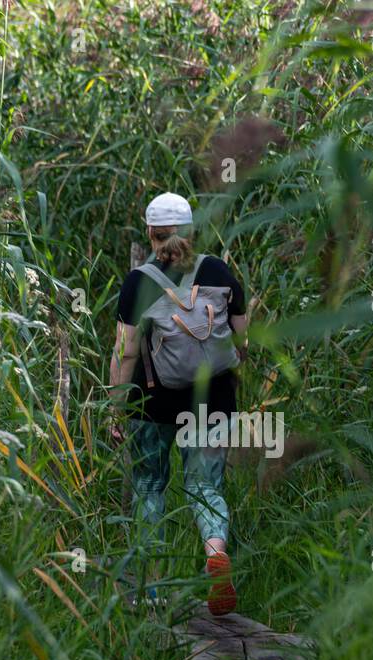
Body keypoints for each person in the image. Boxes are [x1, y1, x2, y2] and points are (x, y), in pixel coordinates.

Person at [108, 192, 249, 615]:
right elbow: (242, 339)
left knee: (150, 486)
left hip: (153, 402)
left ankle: (152, 593)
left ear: (151, 233)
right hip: (214, 398)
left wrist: (116, 408)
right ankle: (215, 553)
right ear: (190, 231)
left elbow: (126, 352)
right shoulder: (220, 271)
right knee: (205, 487)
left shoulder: (140, 281)